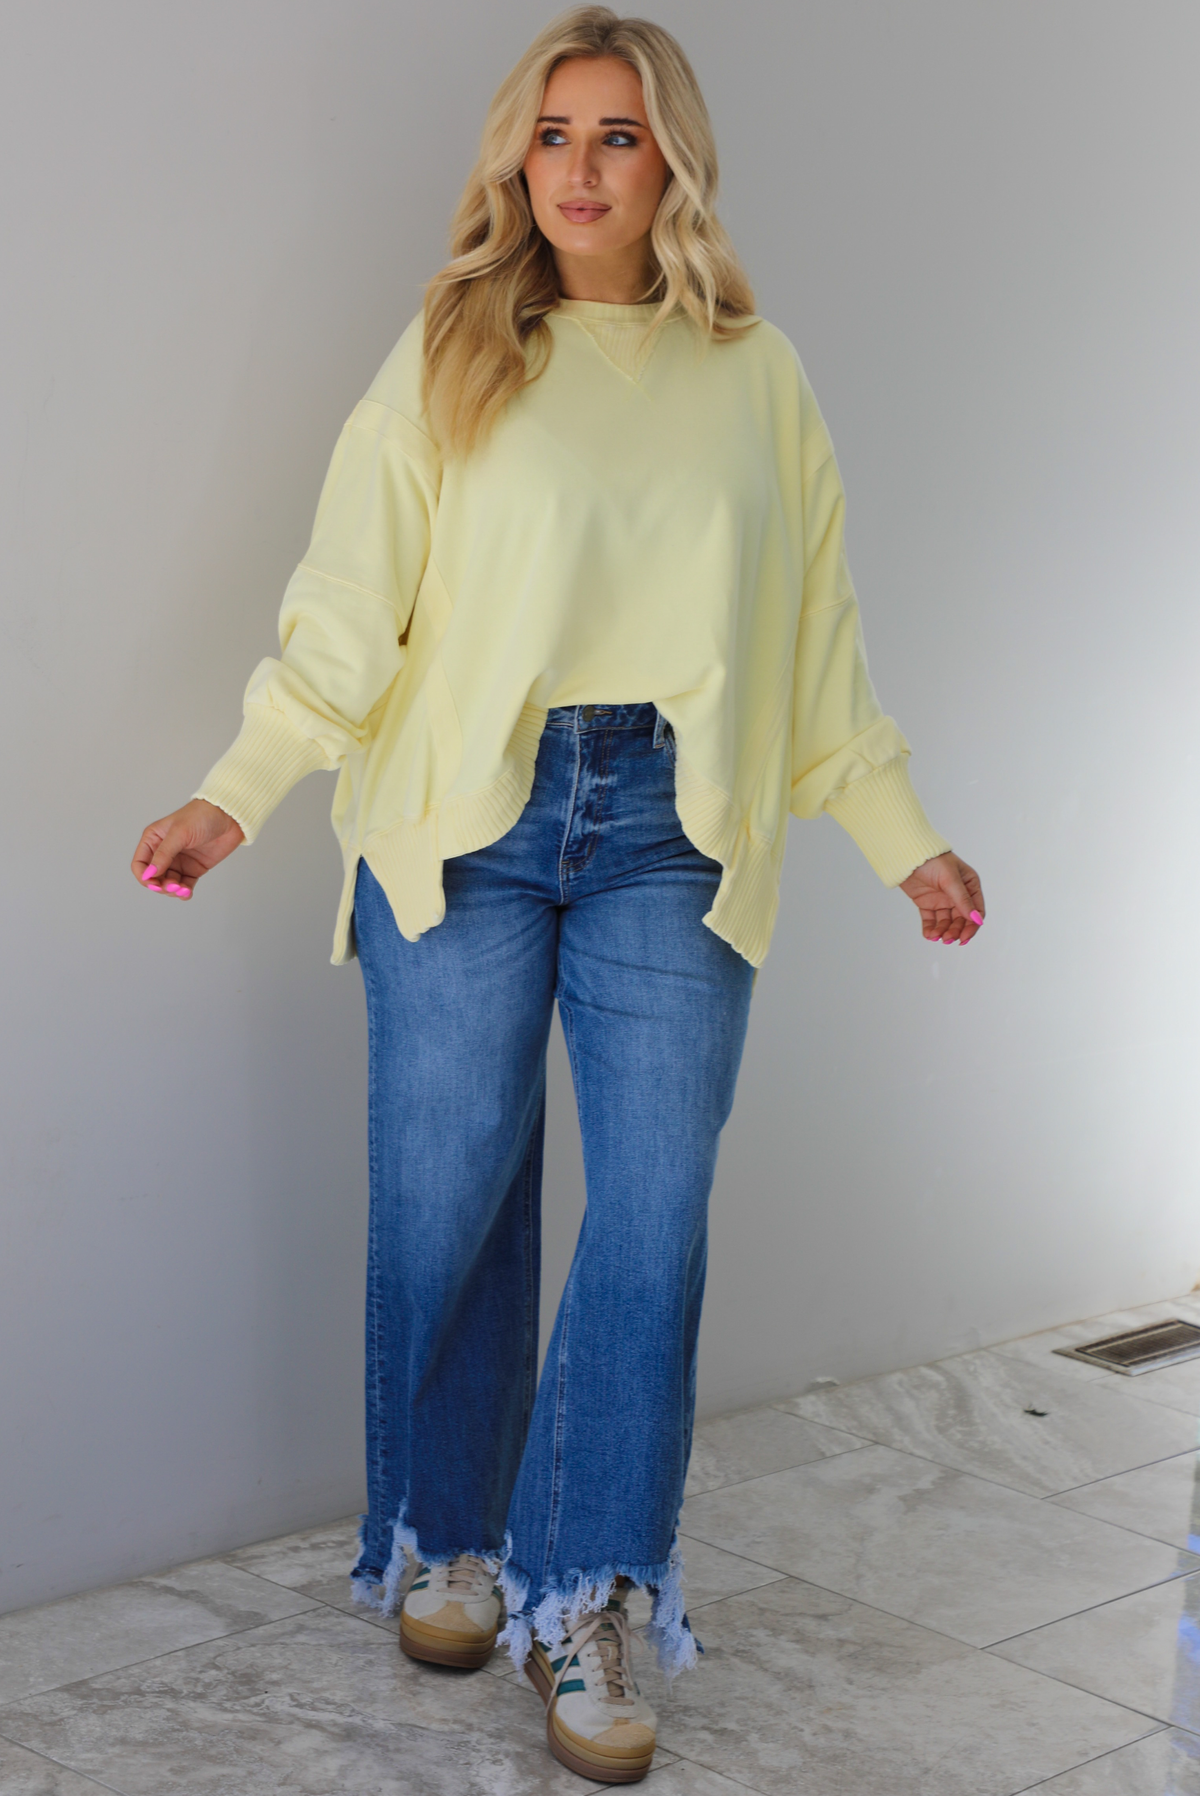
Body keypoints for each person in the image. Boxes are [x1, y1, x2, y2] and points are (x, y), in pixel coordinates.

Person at [131, 6, 985, 1783]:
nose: (580, 168)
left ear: (673, 161)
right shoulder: (454, 346)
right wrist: (239, 790)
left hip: (678, 825)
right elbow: (348, 606)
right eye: (552, 134)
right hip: (466, 820)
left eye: (617, 135)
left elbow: (817, 641)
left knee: (653, 1213)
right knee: (450, 1196)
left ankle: (586, 1594)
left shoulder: (757, 375)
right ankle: (454, 1538)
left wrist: (901, 833)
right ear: (515, 159)